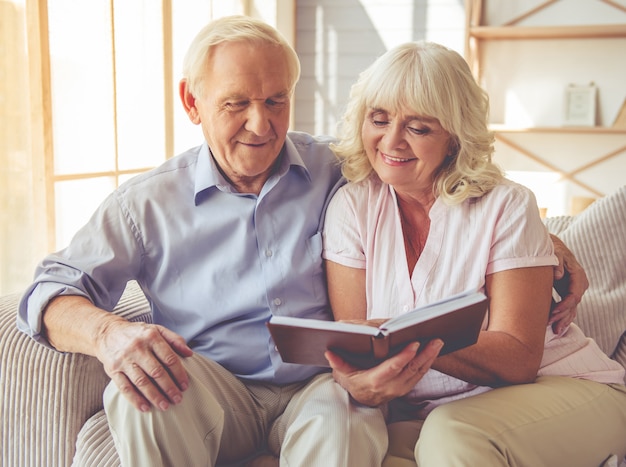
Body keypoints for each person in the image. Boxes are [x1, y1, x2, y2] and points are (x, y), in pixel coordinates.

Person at [16, 15, 585, 467]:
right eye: (235, 103)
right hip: (214, 387)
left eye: (275, 101)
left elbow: (430, 182)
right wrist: (108, 333)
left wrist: (548, 245)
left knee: (345, 415)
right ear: (192, 102)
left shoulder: (339, 169)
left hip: (321, 385)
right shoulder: (144, 206)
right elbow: (48, 291)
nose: (260, 126)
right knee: (135, 396)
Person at [322, 40, 626, 467]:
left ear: (454, 138)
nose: (391, 140)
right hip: (435, 413)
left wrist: (402, 336)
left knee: (453, 435)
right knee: (366, 451)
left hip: (558, 388)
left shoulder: (506, 205)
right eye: (380, 119)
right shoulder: (351, 207)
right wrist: (360, 383)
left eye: (419, 128)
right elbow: (355, 346)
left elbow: (519, 359)